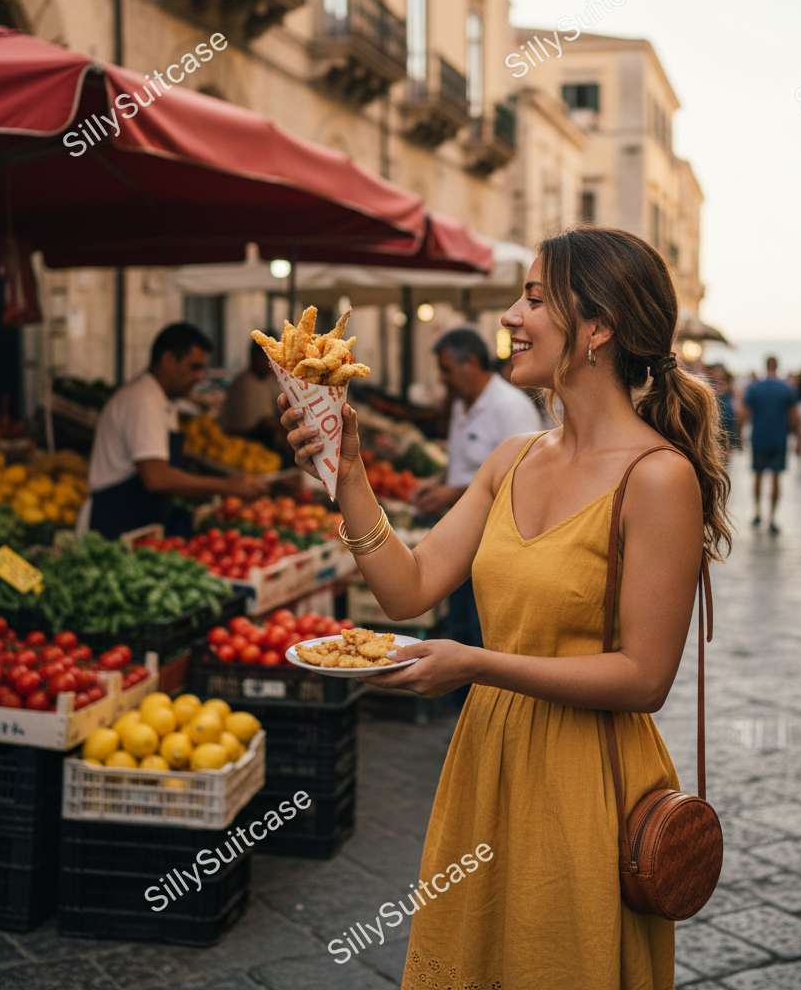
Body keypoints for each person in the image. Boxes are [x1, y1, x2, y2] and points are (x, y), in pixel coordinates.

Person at [280, 226, 731, 989]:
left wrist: (473, 664)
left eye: (532, 298)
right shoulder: (511, 459)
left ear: (598, 327)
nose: (511, 318)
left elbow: (645, 677)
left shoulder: (659, 479)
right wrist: (346, 474)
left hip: (589, 777)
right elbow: (409, 588)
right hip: (487, 759)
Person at [410, 327, 542, 659]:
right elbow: (466, 462)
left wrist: (451, 493)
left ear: (470, 363)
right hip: (462, 533)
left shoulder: (510, 407)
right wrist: (438, 480)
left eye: (446, 370)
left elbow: (523, 477)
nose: (443, 379)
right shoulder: (463, 403)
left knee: (481, 626)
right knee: (461, 621)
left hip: (494, 540)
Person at [84, 323, 263, 540]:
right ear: (168, 360)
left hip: (137, 518)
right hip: (117, 521)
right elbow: (156, 477)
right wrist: (227, 486)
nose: (199, 377)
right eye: (194, 367)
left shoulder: (162, 399)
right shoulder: (143, 401)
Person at [742, 355, 797, 535]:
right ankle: (772, 518)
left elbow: (744, 413)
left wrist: (739, 437)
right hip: (778, 439)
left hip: (759, 437)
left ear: (765, 366)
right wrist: (800, 438)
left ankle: (757, 512)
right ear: (777, 366)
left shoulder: (755, 388)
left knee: (757, 476)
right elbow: (794, 416)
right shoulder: (786, 389)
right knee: (776, 478)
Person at [220, 338, 280, 440]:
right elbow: (244, 428)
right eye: (268, 358)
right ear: (255, 357)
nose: (272, 364)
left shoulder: (271, 381)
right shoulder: (242, 385)